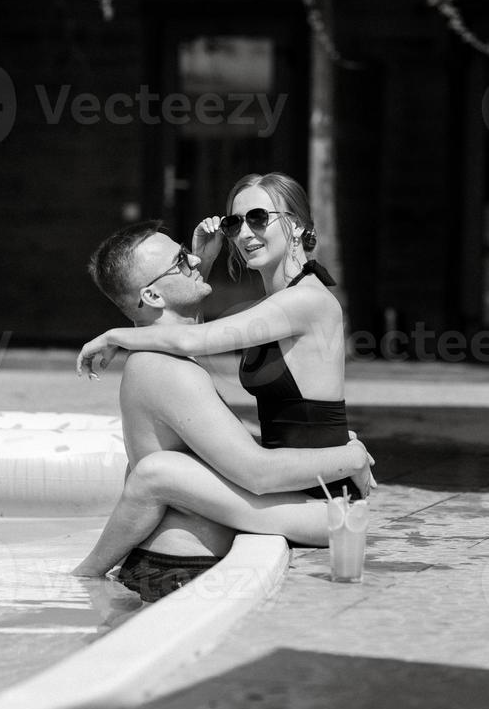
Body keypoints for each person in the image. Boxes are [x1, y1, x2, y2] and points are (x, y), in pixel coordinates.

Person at [72, 211, 374, 595]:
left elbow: (187, 331)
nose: (194, 261)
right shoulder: (165, 369)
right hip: (177, 572)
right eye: (181, 262)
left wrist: (203, 261)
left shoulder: (163, 359)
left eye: (186, 252)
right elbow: (258, 474)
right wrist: (351, 457)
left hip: (171, 566)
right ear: (150, 295)